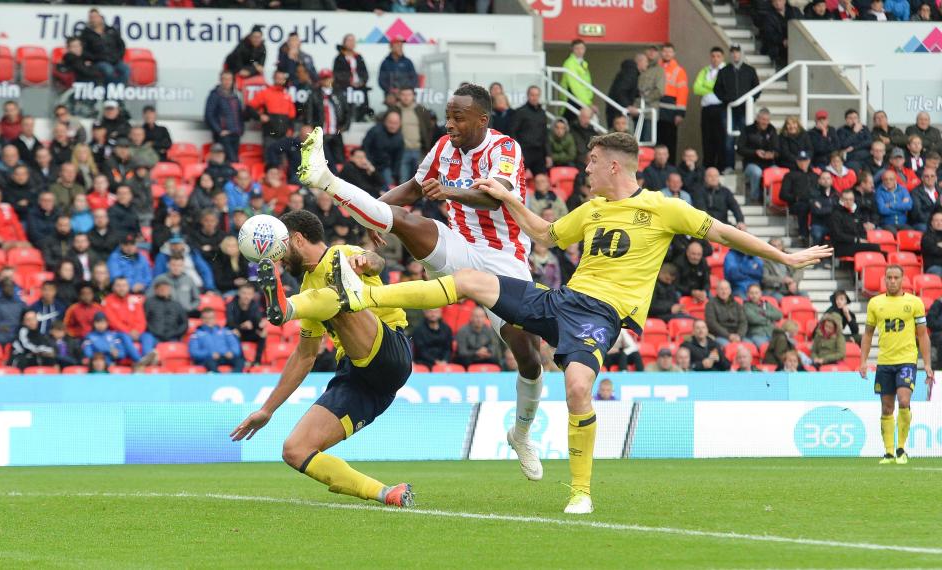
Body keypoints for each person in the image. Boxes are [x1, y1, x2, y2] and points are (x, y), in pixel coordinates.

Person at [302, 130, 831, 513]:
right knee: (471, 283)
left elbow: (724, 232)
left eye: (594, 161)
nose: (587, 169)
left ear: (616, 167)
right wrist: (510, 198)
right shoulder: (593, 209)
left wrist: (782, 258)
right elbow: (547, 237)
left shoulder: (665, 209)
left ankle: (580, 491)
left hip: (601, 316)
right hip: (561, 301)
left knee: (577, 385)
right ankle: (364, 293)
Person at [294, 83, 547, 483]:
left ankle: (521, 433)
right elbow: (412, 190)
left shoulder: (505, 149)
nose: (450, 125)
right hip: (459, 246)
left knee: (528, 355)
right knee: (408, 221)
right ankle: (324, 177)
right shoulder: (444, 148)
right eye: (447, 116)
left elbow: (496, 199)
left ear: (483, 119)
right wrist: (373, 214)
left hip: (505, 260)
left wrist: (447, 190)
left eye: (458, 118)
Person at [232, 210, 415, 509]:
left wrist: (367, 261)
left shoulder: (341, 255)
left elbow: (377, 261)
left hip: (389, 351)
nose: (279, 260)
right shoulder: (308, 290)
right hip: (360, 378)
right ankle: (387, 493)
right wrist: (267, 410)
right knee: (295, 449)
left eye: (281, 250)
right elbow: (305, 356)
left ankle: (286, 308)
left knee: (338, 296)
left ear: (297, 239)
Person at [859, 265, 934, 465]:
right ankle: (889, 452)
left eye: (896, 278)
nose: (892, 281)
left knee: (903, 400)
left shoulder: (914, 303)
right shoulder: (875, 303)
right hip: (884, 362)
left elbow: (922, 335)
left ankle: (901, 448)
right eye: (889, 278)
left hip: (907, 360)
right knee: (886, 408)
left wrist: (927, 364)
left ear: (903, 280)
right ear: (885, 279)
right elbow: (867, 334)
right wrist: (863, 361)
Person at [714, 45, 760, 172]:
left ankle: (747, 166)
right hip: (728, 110)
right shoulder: (724, 71)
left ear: (741, 54)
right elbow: (717, 89)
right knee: (728, 139)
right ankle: (729, 166)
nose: (735, 55)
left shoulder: (749, 70)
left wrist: (750, 101)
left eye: (737, 52)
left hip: (745, 110)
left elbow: (756, 89)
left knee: (747, 139)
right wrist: (727, 100)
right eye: (733, 52)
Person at [694, 47, 726, 170]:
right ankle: (708, 165)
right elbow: (697, 88)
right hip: (707, 108)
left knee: (720, 138)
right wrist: (712, 87)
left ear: (722, 57)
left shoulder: (725, 70)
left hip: (720, 108)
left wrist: (707, 86)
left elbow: (722, 87)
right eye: (713, 56)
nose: (715, 59)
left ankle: (720, 167)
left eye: (718, 56)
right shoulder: (705, 70)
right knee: (707, 138)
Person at [248, 70, 296, 152]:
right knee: (270, 162)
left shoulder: (287, 96)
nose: (280, 80)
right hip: (270, 135)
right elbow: (249, 107)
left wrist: (291, 130)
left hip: (284, 136)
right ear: (273, 78)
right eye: (278, 78)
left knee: (283, 163)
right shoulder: (265, 93)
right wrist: (259, 116)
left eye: (282, 78)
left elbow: (292, 116)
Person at [829, 188, 884, 259]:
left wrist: (862, 239)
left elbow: (862, 230)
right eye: (846, 199)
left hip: (856, 244)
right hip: (841, 246)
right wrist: (856, 239)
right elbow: (837, 235)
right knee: (876, 248)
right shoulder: (836, 214)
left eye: (851, 199)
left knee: (883, 253)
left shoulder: (855, 213)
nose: (848, 202)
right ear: (841, 200)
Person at [737, 108, 779, 203]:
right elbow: (740, 149)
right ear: (757, 119)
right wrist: (755, 152)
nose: (765, 122)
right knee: (757, 172)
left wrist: (772, 154)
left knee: (776, 171)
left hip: (768, 163)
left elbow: (777, 149)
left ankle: (771, 199)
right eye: (763, 119)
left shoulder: (772, 130)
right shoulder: (747, 130)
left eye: (767, 120)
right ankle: (754, 198)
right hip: (751, 162)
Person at [79, 9, 128, 85]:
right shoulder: (86, 34)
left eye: (95, 17)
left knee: (126, 70)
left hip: (115, 60)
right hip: (99, 61)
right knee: (108, 70)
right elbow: (83, 50)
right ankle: (110, 91)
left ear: (101, 17)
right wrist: (94, 58)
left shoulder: (111, 30)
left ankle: (118, 89)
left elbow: (121, 45)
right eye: (91, 17)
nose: (93, 19)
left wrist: (118, 57)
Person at [780, 150, 819, 246]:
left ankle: (818, 235)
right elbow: (783, 194)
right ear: (796, 162)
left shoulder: (815, 176)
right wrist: (795, 198)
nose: (803, 163)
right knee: (804, 207)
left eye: (805, 160)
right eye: (800, 160)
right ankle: (803, 235)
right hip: (797, 204)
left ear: (809, 161)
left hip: (815, 202)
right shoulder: (790, 175)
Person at [509, 86, 550, 177]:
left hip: (539, 152)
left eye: (537, 95)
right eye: (532, 95)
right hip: (524, 151)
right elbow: (512, 132)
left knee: (542, 179)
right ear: (528, 96)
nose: (534, 97)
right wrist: (518, 152)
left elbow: (545, 135)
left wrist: (548, 155)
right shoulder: (520, 112)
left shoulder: (542, 113)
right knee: (517, 179)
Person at [204, 71, 244, 163]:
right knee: (231, 160)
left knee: (234, 161)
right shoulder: (214, 95)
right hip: (223, 136)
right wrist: (219, 131)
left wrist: (240, 130)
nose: (227, 82)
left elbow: (239, 115)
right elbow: (209, 115)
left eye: (229, 79)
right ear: (220, 80)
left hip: (235, 134)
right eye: (224, 79)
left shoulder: (235, 96)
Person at [657, 43, 688, 161]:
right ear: (661, 53)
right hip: (656, 110)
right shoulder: (655, 67)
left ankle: (669, 166)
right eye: (665, 51)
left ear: (673, 54)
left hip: (671, 112)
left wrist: (680, 113)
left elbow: (683, 92)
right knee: (657, 140)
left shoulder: (679, 71)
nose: (667, 54)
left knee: (670, 141)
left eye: (669, 52)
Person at [188, 308, 244, 373]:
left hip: (226, 357)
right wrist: (210, 354)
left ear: (215, 319)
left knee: (240, 361)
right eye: (205, 318)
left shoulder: (225, 331)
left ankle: (233, 377)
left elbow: (235, 345)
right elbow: (194, 352)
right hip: (209, 359)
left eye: (211, 318)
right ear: (201, 319)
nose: (208, 320)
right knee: (210, 364)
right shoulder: (196, 334)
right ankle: (219, 380)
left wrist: (232, 352)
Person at [227, 283, 266, 366]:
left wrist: (259, 325)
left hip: (250, 331)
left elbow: (258, 321)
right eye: (244, 293)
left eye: (249, 294)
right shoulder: (231, 305)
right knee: (234, 333)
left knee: (263, 334)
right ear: (239, 293)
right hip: (236, 331)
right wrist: (241, 326)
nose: (246, 296)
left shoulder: (255, 305)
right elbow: (230, 323)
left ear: (252, 295)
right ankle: (242, 361)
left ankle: (257, 361)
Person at [362, 110, 404, 187]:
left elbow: (398, 159)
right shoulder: (374, 131)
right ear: (385, 121)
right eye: (390, 122)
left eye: (395, 123)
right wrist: (367, 164)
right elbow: (365, 148)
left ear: (400, 124)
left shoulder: (399, 138)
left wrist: (395, 175)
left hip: (385, 167)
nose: (393, 126)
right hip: (369, 165)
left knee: (387, 188)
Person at [144, 276, 188, 343]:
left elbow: (184, 324)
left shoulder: (176, 305)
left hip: (173, 337)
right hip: (154, 336)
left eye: (166, 288)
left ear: (170, 289)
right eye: (161, 288)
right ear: (156, 290)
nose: (163, 290)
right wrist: (155, 333)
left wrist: (175, 334)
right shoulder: (149, 303)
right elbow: (144, 321)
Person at [705, 279, 748, 346]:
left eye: (726, 289)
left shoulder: (737, 304)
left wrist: (739, 335)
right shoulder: (710, 304)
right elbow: (712, 324)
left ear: (730, 291)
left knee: (749, 346)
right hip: (720, 336)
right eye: (721, 289)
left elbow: (743, 322)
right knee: (730, 347)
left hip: (737, 335)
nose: (724, 292)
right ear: (717, 291)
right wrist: (728, 335)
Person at [559, 39, 594, 120]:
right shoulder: (570, 63)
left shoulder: (583, 63)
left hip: (582, 99)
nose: (579, 51)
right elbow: (575, 86)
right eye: (577, 48)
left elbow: (587, 84)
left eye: (581, 48)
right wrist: (587, 103)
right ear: (572, 49)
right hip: (572, 98)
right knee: (571, 121)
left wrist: (588, 100)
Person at [606, 57, 640, 129]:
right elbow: (621, 89)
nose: (647, 64)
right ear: (640, 62)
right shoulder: (630, 73)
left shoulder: (626, 72)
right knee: (617, 133)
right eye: (646, 61)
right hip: (618, 109)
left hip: (614, 107)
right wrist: (627, 105)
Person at [810, 171, 839, 247]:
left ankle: (836, 257)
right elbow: (816, 211)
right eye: (823, 178)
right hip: (818, 224)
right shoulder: (813, 194)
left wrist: (823, 208)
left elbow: (838, 210)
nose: (826, 180)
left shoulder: (836, 194)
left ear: (832, 180)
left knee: (841, 234)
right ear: (819, 180)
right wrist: (832, 208)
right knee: (817, 234)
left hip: (833, 224)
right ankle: (817, 257)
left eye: (828, 178)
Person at [909, 167, 941, 232]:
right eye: (927, 176)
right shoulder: (915, 192)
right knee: (925, 228)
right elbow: (917, 213)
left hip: (939, 221)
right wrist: (933, 221)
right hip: (922, 222)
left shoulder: (940, 190)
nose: (930, 178)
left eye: (932, 176)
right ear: (922, 178)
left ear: (936, 178)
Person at [922, 211, 942, 277]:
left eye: (941, 220)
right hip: (933, 267)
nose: (939, 223)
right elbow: (933, 249)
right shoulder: (927, 236)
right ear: (932, 223)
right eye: (936, 220)